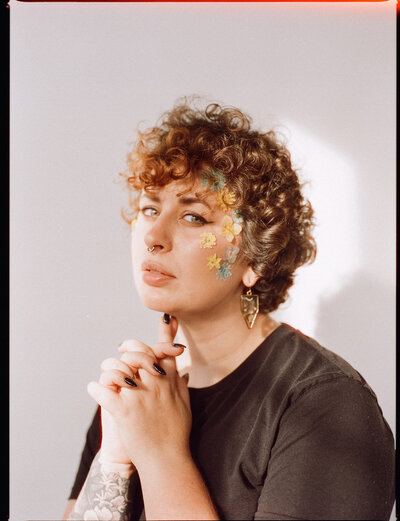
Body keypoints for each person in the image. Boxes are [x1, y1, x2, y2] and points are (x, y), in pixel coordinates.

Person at [63, 98, 395, 521]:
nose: (153, 236)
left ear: (256, 257)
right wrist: (115, 458)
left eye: (194, 218)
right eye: (150, 208)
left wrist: (162, 455)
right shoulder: (139, 390)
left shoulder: (325, 403)